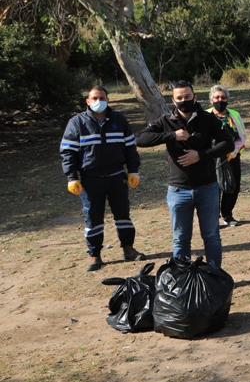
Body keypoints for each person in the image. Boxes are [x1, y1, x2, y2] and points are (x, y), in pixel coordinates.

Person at [137, 81, 234, 268]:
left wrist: (201, 155)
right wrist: (172, 135)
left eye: (188, 97)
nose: (184, 101)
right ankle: (181, 280)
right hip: (178, 190)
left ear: (195, 97)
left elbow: (228, 143)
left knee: (211, 236)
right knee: (180, 239)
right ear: (173, 100)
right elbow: (141, 139)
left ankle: (214, 277)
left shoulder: (208, 119)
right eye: (179, 98)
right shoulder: (166, 121)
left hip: (207, 187)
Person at [60, 86, 144, 271]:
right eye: (94, 98)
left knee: (123, 215)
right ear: (88, 102)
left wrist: (133, 170)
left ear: (108, 99)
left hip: (117, 177)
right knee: (93, 218)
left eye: (102, 97)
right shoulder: (76, 123)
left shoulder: (119, 120)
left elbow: (130, 147)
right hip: (91, 179)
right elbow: (68, 152)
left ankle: (129, 249)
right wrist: (72, 177)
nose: (99, 101)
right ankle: (94, 255)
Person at [207, 85, 247, 226]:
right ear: (211, 99)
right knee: (213, 188)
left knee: (232, 186)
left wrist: (233, 152)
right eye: (217, 97)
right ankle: (213, 219)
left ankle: (227, 216)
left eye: (223, 97)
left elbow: (242, 137)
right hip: (211, 158)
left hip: (232, 156)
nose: (220, 100)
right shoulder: (205, 115)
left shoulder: (234, 115)